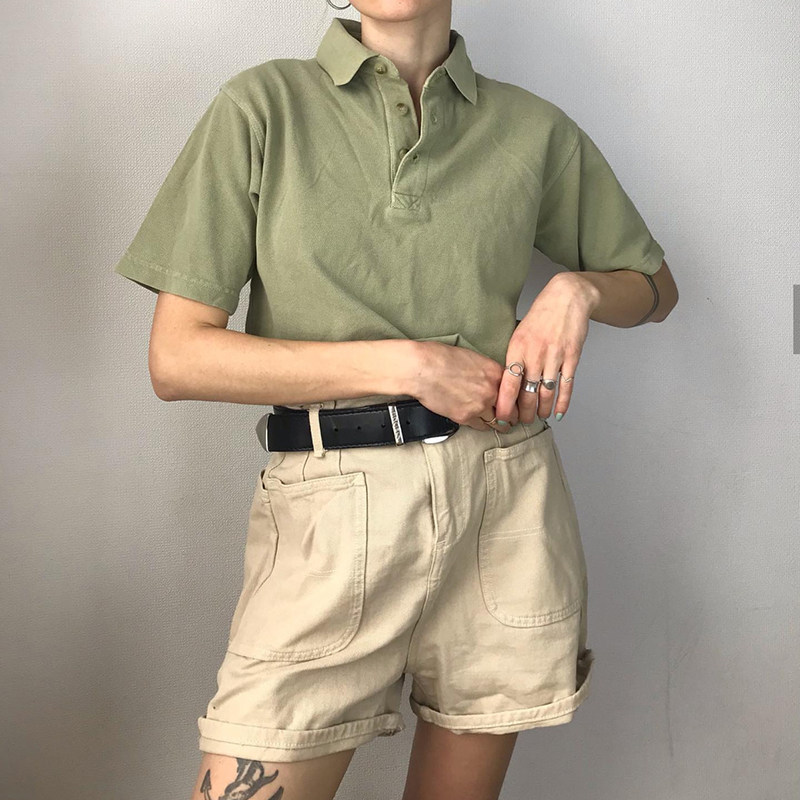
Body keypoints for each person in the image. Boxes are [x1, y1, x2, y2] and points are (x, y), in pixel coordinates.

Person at [113, 1, 679, 798]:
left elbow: (655, 287)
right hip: (331, 508)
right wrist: (410, 365)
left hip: (503, 500)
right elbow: (178, 359)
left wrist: (577, 289)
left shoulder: (532, 129)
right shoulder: (263, 106)